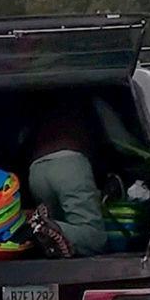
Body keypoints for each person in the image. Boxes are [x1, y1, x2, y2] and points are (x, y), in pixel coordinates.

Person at [25, 107, 107, 258]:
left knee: (57, 238)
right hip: (69, 163)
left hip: (37, 169)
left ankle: (39, 224)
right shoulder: (91, 103)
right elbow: (120, 139)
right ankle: (46, 225)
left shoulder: (40, 109)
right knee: (94, 236)